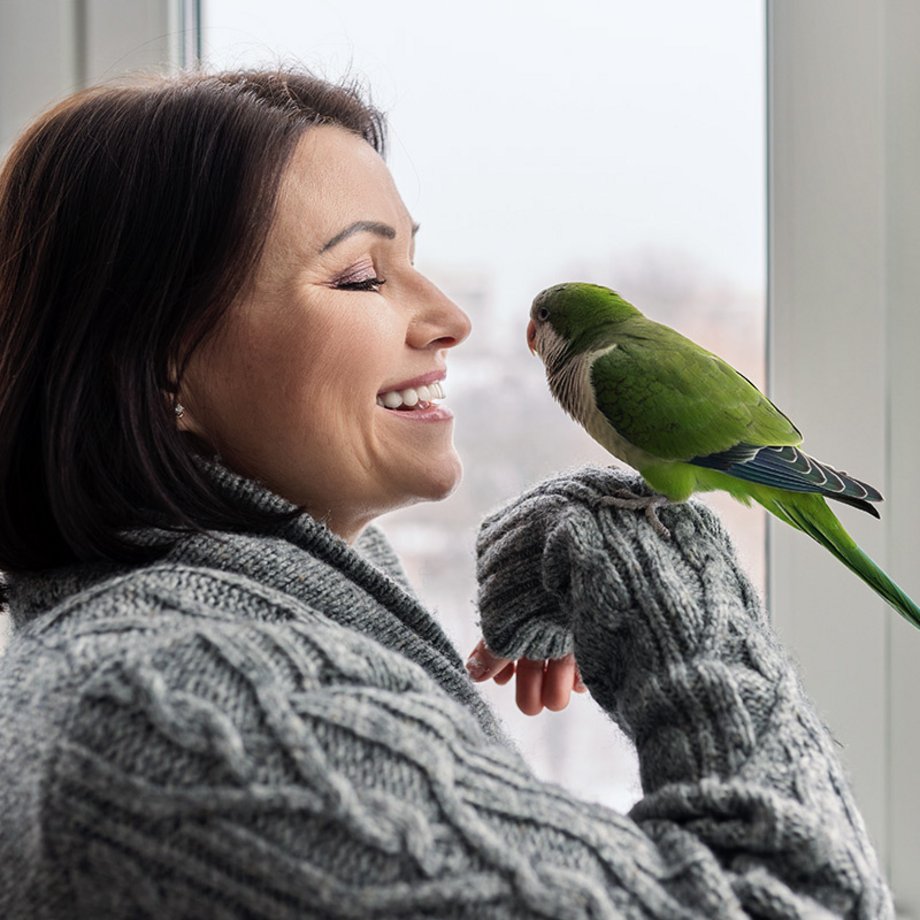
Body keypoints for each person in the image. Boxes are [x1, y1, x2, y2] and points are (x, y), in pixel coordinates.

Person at [0, 68, 892, 919]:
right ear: (163, 370)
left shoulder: (218, 638)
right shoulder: (183, 705)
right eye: (361, 276)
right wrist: (660, 574)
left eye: (415, 259)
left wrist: (572, 541)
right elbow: (799, 901)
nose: (453, 320)